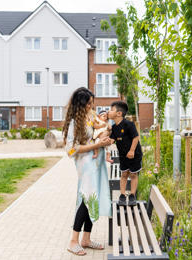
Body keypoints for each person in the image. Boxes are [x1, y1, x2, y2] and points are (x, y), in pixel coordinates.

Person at [63, 87, 112, 256]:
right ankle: (73, 241)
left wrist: (102, 140)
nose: (92, 106)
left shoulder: (90, 117)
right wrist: (96, 145)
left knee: (93, 199)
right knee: (86, 198)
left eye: (93, 103)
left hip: (96, 163)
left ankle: (86, 239)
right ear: (80, 104)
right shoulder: (75, 123)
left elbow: (96, 134)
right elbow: (71, 149)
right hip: (86, 165)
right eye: (89, 103)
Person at [108, 101, 143, 207]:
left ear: (119, 113)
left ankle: (132, 195)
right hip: (123, 156)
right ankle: (122, 195)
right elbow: (111, 141)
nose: (109, 111)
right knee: (123, 174)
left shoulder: (129, 124)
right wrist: (104, 133)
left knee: (133, 174)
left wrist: (132, 150)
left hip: (135, 154)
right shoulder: (114, 128)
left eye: (111, 109)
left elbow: (136, 137)